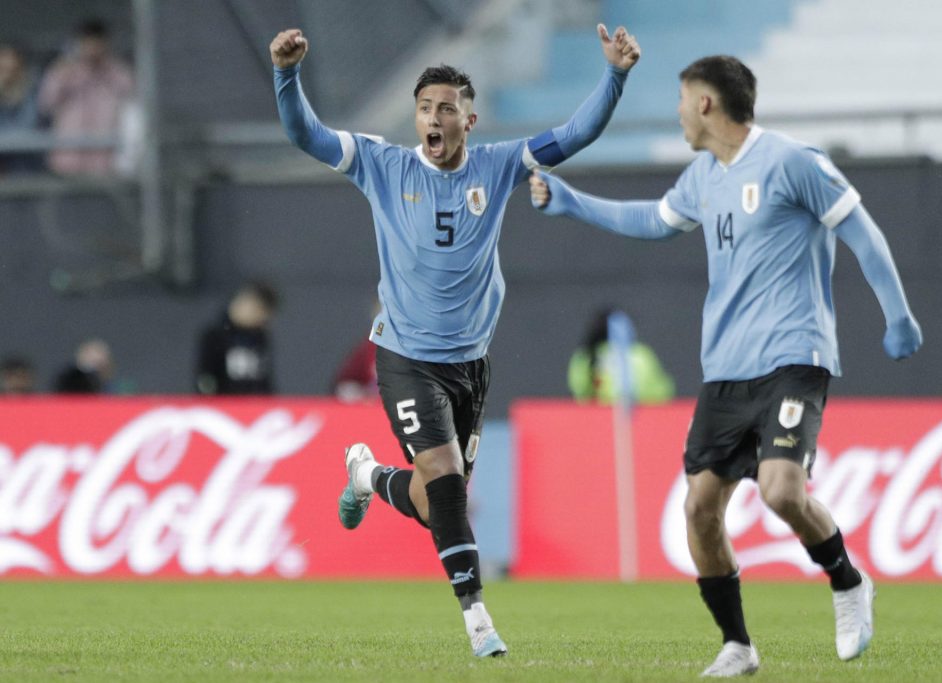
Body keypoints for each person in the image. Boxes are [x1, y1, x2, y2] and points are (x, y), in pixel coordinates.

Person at [530, 55, 922, 676]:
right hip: (725, 372)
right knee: (699, 509)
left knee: (779, 489)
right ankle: (738, 644)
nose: (679, 112)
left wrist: (896, 315)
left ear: (706, 102)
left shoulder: (795, 161)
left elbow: (863, 233)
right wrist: (573, 203)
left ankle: (848, 583)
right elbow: (653, 222)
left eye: (683, 99)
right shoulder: (703, 177)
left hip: (796, 358)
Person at [270, 23, 640, 658]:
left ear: (469, 120)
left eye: (445, 108)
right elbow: (306, 135)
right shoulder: (381, 164)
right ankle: (478, 620)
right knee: (443, 480)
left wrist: (615, 75)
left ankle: (366, 475)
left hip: (469, 364)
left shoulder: (498, 167)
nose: (432, 118)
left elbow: (575, 135)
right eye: (424, 108)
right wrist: (286, 74)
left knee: (433, 499)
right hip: (406, 357)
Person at [37, 19, 134, 176]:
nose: (93, 48)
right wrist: (64, 71)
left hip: (105, 161)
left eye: (97, 42)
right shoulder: (64, 71)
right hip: (69, 159)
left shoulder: (118, 72)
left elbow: (132, 104)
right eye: (87, 42)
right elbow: (46, 104)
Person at [567, 307, 674, 404]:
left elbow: (580, 391)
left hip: (599, 417)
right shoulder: (642, 354)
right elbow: (663, 390)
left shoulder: (585, 356)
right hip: (647, 416)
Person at [195, 281, 278, 395]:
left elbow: (264, 379)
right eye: (256, 310)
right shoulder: (215, 336)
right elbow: (206, 377)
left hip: (255, 407)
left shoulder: (259, 338)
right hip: (224, 407)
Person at [0, 43, 43, 174]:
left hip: (26, 169)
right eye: (2, 70)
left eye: (11, 70)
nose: (7, 76)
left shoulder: (31, 94)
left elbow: (28, 126)